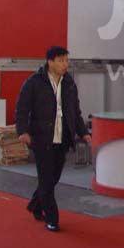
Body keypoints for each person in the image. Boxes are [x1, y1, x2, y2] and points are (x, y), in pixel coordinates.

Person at [15, 46, 91, 232]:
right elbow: (22, 108)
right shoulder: (34, 82)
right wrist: (23, 131)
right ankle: (52, 219)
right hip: (42, 138)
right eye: (61, 60)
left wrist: (83, 132)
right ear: (50, 62)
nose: (65, 64)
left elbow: (75, 112)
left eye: (66, 60)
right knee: (46, 179)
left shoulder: (69, 83)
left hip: (62, 138)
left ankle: (35, 205)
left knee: (53, 178)